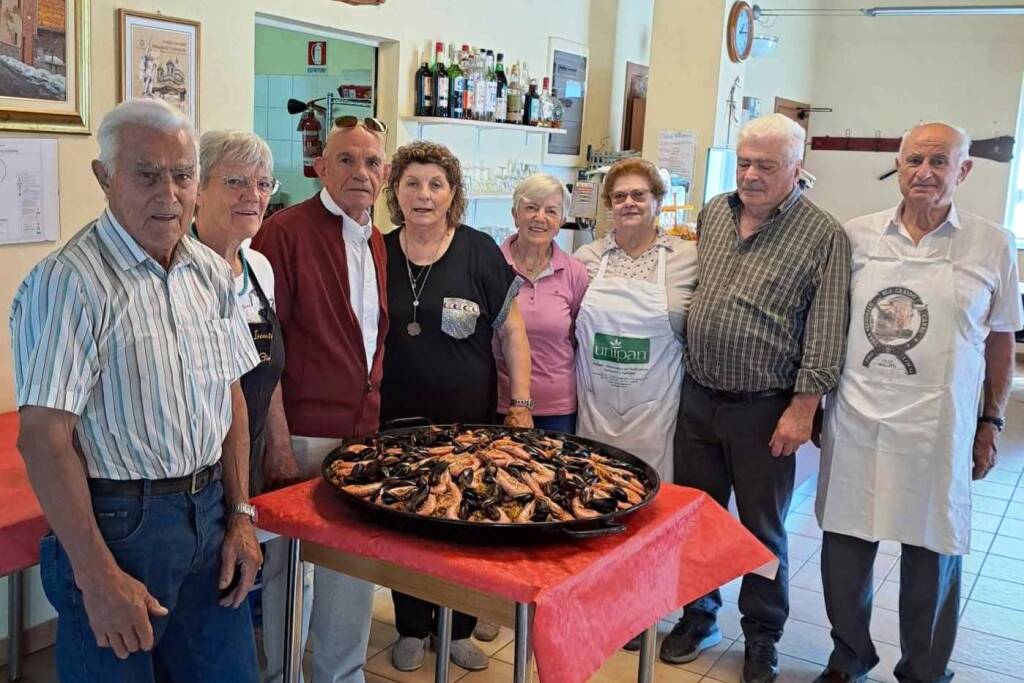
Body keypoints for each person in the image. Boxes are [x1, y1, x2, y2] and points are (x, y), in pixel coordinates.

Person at [9, 98, 262, 682]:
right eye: (146, 175)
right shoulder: (69, 282)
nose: (168, 194)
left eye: (182, 175)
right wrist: (96, 578)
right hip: (120, 523)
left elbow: (231, 399)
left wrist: (241, 514)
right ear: (104, 177)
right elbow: (45, 441)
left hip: (210, 517)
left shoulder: (208, 271)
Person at [813, 122, 1022, 683]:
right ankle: (848, 655)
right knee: (845, 546)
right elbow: (827, 323)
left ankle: (925, 670)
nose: (924, 173)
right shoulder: (855, 236)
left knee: (932, 551)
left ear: (964, 170)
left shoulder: (992, 243)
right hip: (857, 417)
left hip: (940, 427)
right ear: (898, 165)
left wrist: (991, 422)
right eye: (913, 160)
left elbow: (1002, 338)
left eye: (938, 161)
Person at [668, 113, 851, 682]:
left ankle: (763, 635)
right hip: (698, 398)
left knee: (761, 529)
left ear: (796, 169)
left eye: (765, 166)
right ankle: (699, 614)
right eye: (744, 162)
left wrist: (803, 409)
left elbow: (825, 330)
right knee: (696, 518)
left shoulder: (824, 235)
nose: (749, 175)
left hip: (765, 409)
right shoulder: (715, 213)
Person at [380, 140, 532, 672]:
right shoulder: (378, 251)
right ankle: (411, 625)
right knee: (407, 522)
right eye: (412, 183)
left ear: (452, 193)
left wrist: (520, 403)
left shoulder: (477, 250)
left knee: (467, 520)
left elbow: (511, 330)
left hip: (469, 421)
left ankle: (460, 625)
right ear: (395, 192)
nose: (424, 194)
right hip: (395, 420)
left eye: (435, 184)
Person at [252, 116, 390, 683]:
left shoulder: (376, 238)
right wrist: (278, 447)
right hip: (303, 434)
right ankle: (285, 676)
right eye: (347, 160)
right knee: (290, 571)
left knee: (352, 569)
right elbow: (264, 354)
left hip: (362, 436)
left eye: (372, 162)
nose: (361, 171)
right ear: (320, 167)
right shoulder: (283, 234)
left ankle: (342, 675)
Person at [574, 157, 698, 481]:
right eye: (619, 197)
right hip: (594, 412)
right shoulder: (585, 259)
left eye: (639, 195)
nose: (628, 203)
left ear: (658, 200)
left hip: (656, 416)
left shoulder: (688, 258)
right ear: (609, 205)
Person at [191, 129, 299, 497]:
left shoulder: (259, 267)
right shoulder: (177, 272)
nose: (253, 196)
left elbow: (269, 369)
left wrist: (280, 448)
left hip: (253, 455)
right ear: (197, 189)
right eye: (235, 181)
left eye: (264, 183)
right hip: (196, 471)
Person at [495, 173, 589, 433]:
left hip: (558, 408)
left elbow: (576, 338)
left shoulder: (574, 271)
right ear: (515, 214)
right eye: (531, 208)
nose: (540, 218)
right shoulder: (491, 265)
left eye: (551, 211)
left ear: (561, 221)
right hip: (498, 403)